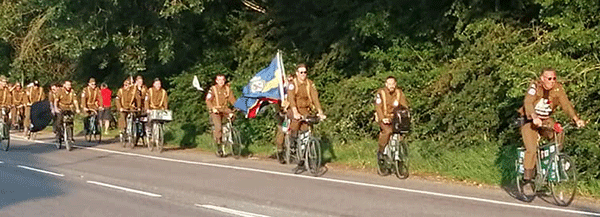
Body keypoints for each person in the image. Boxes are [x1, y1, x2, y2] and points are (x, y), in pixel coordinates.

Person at [518, 68, 586, 181]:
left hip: (545, 120)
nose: (552, 81)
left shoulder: (558, 89)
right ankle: (528, 178)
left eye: (554, 78)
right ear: (542, 79)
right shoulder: (535, 87)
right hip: (530, 121)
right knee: (531, 149)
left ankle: (554, 158)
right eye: (549, 78)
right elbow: (528, 102)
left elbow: (566, 105)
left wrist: (576, 119)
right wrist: (534, 117)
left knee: (559, 131)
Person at [287, 64, 326, 168]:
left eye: (305, 72)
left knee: (307, 128)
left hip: (305, 110)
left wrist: (320, 111)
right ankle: (292, 144)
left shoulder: (310, 84)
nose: (303, 74)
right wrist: (295, 112)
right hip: (293, 108)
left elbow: (315, 98)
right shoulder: (292, 84)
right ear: (297, 73)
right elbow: (291, 99)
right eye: (301, 72)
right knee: (295, 123)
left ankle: (304, 154)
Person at [374, 76, 409, 164]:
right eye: (389, 84)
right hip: (384, 118)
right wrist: (383, 118)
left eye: (393, 84)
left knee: (401, 133)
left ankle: (399, 155)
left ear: (395, 84)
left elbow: (404, 106)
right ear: (386, 84)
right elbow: (378, 107)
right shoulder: (381, 93)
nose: (391, 86)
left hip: (396, 119)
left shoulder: (399, 93)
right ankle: (381, 151)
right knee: (387, 131)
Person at [205, 74, 237, 156]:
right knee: (218, 127)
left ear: (225, 80)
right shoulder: (213, 89)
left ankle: (230, 133)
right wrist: (212, 108)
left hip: (225, 109)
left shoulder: (227, 89)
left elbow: (232, 99)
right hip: (216, 110)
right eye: (219, 80)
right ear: (216, 81)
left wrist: (237, 106)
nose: (221, 81)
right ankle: (219, 146)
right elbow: (208, 100)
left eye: (222, 80)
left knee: (233, 115)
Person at [274, 74, 295, 162]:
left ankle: (294, 149)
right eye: (288, 77)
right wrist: (280, 111)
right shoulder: (280, 90)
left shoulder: (294, 88)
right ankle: (280, 151)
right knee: (281, 131)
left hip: (291, 113)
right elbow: (276, 102)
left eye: (291, 78)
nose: (290, 79)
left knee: (294, 129)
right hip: (281, 114)